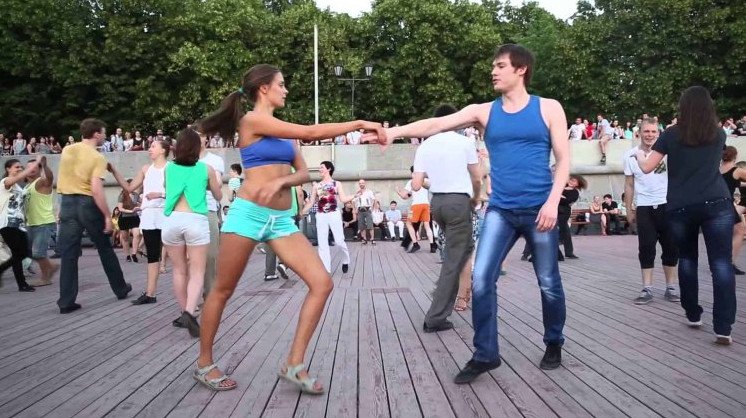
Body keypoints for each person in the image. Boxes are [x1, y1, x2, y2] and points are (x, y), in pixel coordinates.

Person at [368, 44, 570, 381]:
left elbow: (563, 160)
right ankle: (486, 354)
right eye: (493, 65)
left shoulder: (549, 108)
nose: (493, 71)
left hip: (540, 209)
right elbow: (436, 123)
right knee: (480, 279)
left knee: (548, 281)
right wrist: (393, 132)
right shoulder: (484, 111)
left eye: (500, 65)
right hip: (501, 210)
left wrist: (552, 202)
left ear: (521, 69)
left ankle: (554, 341)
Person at [194, 64, 383, 392]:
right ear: (263, 88)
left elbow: (304, 173)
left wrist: (281, 181)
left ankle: (294, 364)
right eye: (281, 84)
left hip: (281, 221)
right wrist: (359, 123)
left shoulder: (284, 133)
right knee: (222, 290)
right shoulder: (251, 121)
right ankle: (204, 363)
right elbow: (310, 132)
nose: (286, 90)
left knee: (321, 283)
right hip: (249, 215)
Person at [635, 86, 735, 345]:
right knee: (721, 264)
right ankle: (723, 327)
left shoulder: (671, 134)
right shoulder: (719, 133)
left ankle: (693, 313)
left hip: (681, 205)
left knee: (688, 259)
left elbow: (647, 167)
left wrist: (638, 155)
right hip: (717, 201)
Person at [411, 104, 481, 333]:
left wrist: (438, 179)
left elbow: (416, 184)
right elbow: (477, 177)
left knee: (462, 250)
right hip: (458, 202)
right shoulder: (465, 142)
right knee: (455, 258)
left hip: (437, 204)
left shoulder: (425, 145)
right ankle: (436, 317)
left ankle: (446, 291)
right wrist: (476, 197)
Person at [56, 118, 132, 314]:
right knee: (104, 247)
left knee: (69, 254)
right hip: (87, 203)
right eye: (104, 133)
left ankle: (66, 301)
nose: (105, 136)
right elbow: (96, 189)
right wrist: (107, 216)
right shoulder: (97, 157)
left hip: (67, 202)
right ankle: (120, 288)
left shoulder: (67, 150)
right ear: (96, 134)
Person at [161, 129, 222, 337]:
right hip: (195, 219)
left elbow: (167, 187)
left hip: (172, 219)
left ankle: (185, 312)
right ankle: (189, 311)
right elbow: (218, 195)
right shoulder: (206, 169)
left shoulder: (169, 168)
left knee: (179, 270)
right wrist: (211, 183)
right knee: (197, 272)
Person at [624, 118, 679, 305]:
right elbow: (629, 184)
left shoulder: (668, 153)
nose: (650, 135)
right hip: (645, 207)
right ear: (639, 133)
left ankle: (671, 287)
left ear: (659, 133)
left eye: (653, 131)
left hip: (667, 205)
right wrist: (629, 209)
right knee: (646, 248)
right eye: (646, 131)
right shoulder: (630, 155)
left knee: (671, 247)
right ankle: (647, 288)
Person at [109, 139, 171, 305]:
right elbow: (129, 188)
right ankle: (150, 294)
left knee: (178, 254)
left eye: (153, 146)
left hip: (167, 214)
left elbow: (179, 191)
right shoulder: (145, 169)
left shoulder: (171, 168)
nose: (150, 149)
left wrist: (160, 194)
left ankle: (191, 296)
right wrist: (114, 171)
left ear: (163, 150)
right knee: (152, 254)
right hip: (149, 215)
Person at [303, 161, 352, 273]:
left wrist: (355, 195)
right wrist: (302, 212)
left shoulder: (337, 184)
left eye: (322, 167)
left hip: (334, 214)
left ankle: (346, 260)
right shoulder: (317, 186)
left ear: (328, 169)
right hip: (321, 215)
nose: (319, 169)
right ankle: (326, 270)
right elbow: (311, 202)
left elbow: (343, 199)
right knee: (322, 243)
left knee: (339, 241)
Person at [0, 159, 36, 292]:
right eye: (16, 167)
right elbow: (9, 182)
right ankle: (22, 284)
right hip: (7, 223)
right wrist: (28, 169)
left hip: (19, 225)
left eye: (21, 167)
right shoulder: (5, 182)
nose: (20, 169)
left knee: (23, 253)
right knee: (18, 253)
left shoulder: (18, 187)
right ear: (8, 169)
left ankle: (3, 270)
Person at [24, 157, 59, 287]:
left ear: (39, 170)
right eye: (29, 167)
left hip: (43, 223)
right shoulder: (27, 187)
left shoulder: (41, 182)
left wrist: (44, 165)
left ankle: (45, 278)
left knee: (38, 253)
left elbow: (49, 178)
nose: (31, 169)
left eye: (35, 166)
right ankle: (52, 266)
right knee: (28, 252)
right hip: (31, 224)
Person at [719, 146, 746, 275]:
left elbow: (730, 182)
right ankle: (728, 263)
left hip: (716, 204)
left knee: (725, 234)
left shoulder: (717, 169)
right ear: (735, 156)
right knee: (740, 231)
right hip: (727, 205)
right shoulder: (737, 170)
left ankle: (723, 262)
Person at [396, 167, 436, 253]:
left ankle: (415, 244)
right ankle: (432, 245)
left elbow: (404, 196)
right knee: (427, 226)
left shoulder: (411, 182)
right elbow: (409, 195)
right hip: (426, 205)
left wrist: (398, 192)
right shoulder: (426, 180)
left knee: (408, 223)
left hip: (415, 206)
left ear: (413, 173)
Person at [558, 175, 587, 259]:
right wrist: (561, 196)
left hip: (564, 212)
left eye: (574, 181)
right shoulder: (561, 187)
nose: (571, 182)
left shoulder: (575, 192)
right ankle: (568, 252)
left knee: (561, 228)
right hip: (555, 210)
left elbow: (567, 201)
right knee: (566, 232)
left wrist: (559, 196)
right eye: (571, 180)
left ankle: (561, 246)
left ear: (577, 184)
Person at [117, 180, 142, 263]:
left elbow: (142, 203)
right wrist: (131, 211)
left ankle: (134, 253)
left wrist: (139, 206)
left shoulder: (136, 195)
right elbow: (120, 208)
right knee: (125, 238)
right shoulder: (122, 195)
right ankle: (127, 255)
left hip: (134, 218)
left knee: (137, 234)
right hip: (124, 218)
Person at [354, 179, 377, 244]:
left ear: (365, 183)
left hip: (367, 209)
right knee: (361, 226)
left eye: (362, 183)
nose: (361, 184)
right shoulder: (357, 192)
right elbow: (354, 201)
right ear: (359, 184)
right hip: (360, 210)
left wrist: (372, 208)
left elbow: (374, 199)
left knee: (370, 225)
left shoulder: (369, 191)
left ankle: (372, 239)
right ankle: (364, 239)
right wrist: (355, 209)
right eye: (360, 183)